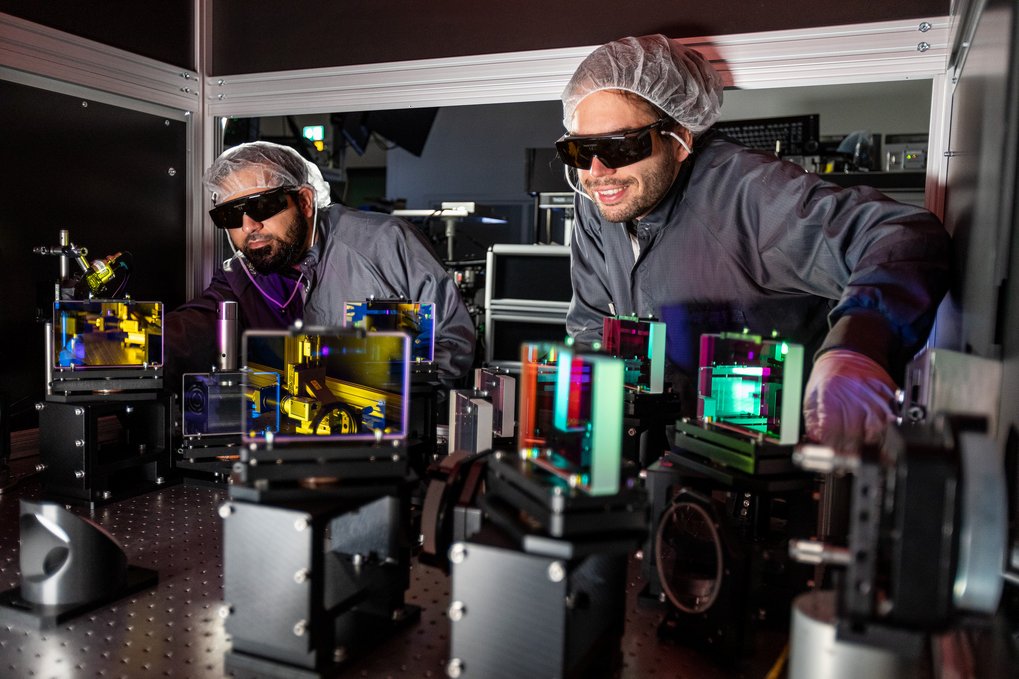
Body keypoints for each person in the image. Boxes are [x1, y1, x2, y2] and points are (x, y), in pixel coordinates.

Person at [557, 35, 951, 452]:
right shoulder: (599, 207)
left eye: (621, 146)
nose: (599, 171)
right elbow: (592, 327)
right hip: (672, 467)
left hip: (787, 468)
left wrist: (860, 347)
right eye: (581, 150)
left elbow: (903, 237)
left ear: (680, 138)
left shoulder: (747, 197)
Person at [165, 141, 475, 386]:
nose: (248, 227)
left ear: (304, 201)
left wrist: (378, 382)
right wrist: (131, 343)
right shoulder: (242, 275)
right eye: (230, 215)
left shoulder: (384, 244)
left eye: (261, 206)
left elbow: (453, 345)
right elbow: (194, 329)